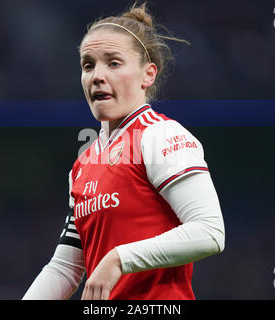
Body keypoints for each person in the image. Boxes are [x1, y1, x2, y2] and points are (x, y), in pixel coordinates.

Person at [23, 2, 225, 300]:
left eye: (113, 63)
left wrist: (119, 259)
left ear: (148, 75)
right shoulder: (83, 165)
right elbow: (64, 268)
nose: (97, 76)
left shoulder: (161, 136)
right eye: (88, 65)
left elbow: (209, 232)